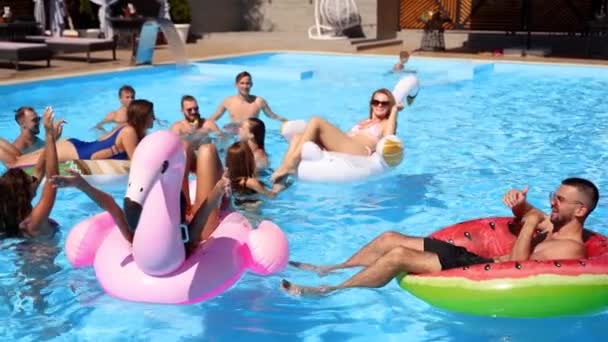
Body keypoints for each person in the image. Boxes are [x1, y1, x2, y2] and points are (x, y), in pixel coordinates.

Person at [280, 178, 598, 296]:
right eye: (552, 196)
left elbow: (519, 268)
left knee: (398, 257)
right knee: (389, 237)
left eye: (559, 200)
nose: (552, 202)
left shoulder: (571, 248)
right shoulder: (550, 223)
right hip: (479, 258)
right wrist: (520, 204)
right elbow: (526, 215)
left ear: (580, 210)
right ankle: (333, 268)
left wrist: (529, 224)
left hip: (482, 268)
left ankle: (330, 289)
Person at [50, 143, 231, 253]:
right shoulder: (187, 237)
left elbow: (111, 205)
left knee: (181, 148)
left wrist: (82, 185)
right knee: (207, 150)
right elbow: (206, 208)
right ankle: (204, 171)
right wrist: (221, 186)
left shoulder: (136, 236)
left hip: (183, 218)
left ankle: (195, 168)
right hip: (200, 232)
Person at [271, 88, 402, 182]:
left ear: (389, 105)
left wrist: (395, 111)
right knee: (297, 137)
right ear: (371, 104)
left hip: (360, 150)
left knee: (316, 121)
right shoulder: (365, 121)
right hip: (346, 145)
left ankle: (289, 164)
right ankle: (280, 183)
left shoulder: (386, 123)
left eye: (384, 103)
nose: (379, 105)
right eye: (376, 102)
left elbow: (389, 138)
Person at [7, 99, 155, 168]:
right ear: (142, 117)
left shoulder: (126, 128)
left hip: (75, 147)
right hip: (75, 152)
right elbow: (138, 163)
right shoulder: (129, 131)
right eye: (151, 115)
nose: (154, 118)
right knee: (15, 163)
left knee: (19, 158)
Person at [0, 107, 61, 239]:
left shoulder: (9, 216)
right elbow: (52, 178)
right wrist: (49, 134)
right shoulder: (34, 221)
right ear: (26, 192)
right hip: (41, 259)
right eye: (30, 181)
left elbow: (38, 170)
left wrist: (51, 139)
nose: (34, 181)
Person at [209, 71, 288, 129]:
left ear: (251, 85)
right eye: (242, 83)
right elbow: (214, 117)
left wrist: (287, 121)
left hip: (251, 133)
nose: (245, 86)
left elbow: (272, 115)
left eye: (247, 83)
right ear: (236, 85)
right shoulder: (228, 101)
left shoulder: (259, 101)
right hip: (234, 133)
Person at [0, 106, 65, 165]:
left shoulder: (36, 140)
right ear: (22, 124)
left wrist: (53, 139)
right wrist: (52, 139)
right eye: (34, 120)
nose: (38, 123)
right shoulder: (17, 148)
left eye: (38, 119)